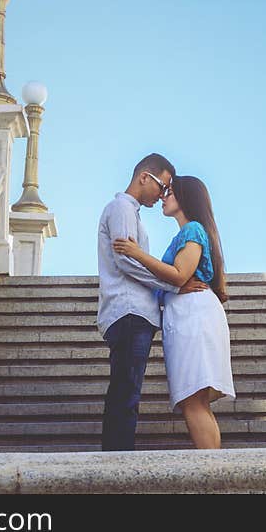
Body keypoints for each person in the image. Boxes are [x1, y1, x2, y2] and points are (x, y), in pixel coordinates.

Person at [113, 175, 234, 449]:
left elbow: (179, 276)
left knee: (193, 400)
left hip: (193, 315)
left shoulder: (192, 230)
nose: (163, 196)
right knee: (195, 401)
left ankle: (211, 477)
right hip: (188, 314)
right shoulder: (189, 232)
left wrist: (135, 252)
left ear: (185, 198)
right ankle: (214, 473)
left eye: (170, 192)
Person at [97, 154, 208, 451]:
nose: (163, 194)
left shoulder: (131, 213)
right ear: (144, 177)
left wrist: (169, 285)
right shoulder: (121, 207)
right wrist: (172, 285)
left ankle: (117, 457)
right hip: (129, 311)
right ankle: (117, 461)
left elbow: (134, 259)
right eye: (163, 186)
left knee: (127, 389)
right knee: (126, 392)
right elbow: (125, 261)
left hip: (137, 313)